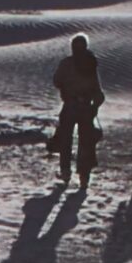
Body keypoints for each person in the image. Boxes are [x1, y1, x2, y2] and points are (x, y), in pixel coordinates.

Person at [52, 33, 105, 189]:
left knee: (65, 140)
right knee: (85, 142)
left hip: (70, 105)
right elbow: (97, 89)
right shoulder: (91, 64)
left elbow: (57, 81)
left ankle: (66, 171)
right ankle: (84, 175)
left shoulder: (67, 63)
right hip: (87, 107)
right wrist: (94, 105)